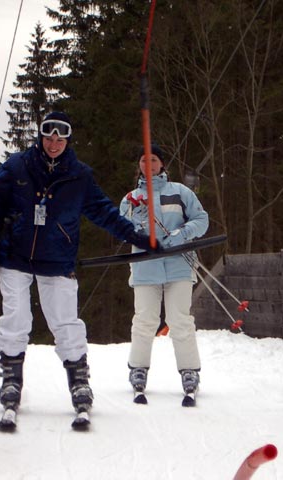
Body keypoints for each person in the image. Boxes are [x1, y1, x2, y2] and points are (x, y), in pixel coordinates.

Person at [0, 111, 153, 421]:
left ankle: (79, 382)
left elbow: (104, 213)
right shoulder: (17, 166)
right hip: (14, 255)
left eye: (60, 137)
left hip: (57, 258)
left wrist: (136, 237)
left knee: (64, 321)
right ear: (40, 137)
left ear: (68, 140)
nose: (54, 142)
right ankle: (11, 380)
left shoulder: (79, 175)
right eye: (49, 136)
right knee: (16, 316)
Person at [119, 143, 209, 406]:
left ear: (162, 164)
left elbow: (201, 220)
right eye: (144, 160)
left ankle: (190, 371)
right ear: (139, 165)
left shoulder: (180, 192)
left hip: (179, 266)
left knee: (179, 319)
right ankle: (138, 368)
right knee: (145, 319)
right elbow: (120, 227)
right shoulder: (131, 198)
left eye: (154, 160)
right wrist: (138, 230)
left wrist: (180, 236)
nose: (149, 165)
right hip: (145, 268)